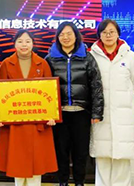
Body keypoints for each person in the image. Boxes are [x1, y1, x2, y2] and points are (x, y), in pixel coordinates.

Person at [0, 30, 58, 186]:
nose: (24, 45)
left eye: (28, 41)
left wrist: (52, 114)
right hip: (15, 122)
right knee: (17, 164)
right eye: (20, 41)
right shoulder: (6, 64)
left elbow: (51, 92)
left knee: (37, 166)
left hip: (37, 121)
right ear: (15, 43)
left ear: (33, 43)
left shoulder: (42, 63)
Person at [45, 21, 103, 186]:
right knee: (61, 151)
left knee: (80, 152)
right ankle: (62, 182)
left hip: (81, 113)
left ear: (76, 36)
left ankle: (79, 182)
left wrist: (97, 112)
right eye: (62, 34)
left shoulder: (87, 57)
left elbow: (96, 86)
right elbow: (43, 86)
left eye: (69, 34)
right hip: (59, 114)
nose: (66, 37)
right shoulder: (50, 59)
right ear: (57, 37)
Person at [89, 19, 134, 186]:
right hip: (101, 114)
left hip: (123, 115)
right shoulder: (91, 56)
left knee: (122, 157)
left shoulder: (131, 57)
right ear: (99, 35)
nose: (108, 35)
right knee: (102, 157)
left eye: (112, 32)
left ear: (118, 33)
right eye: (104, 32)